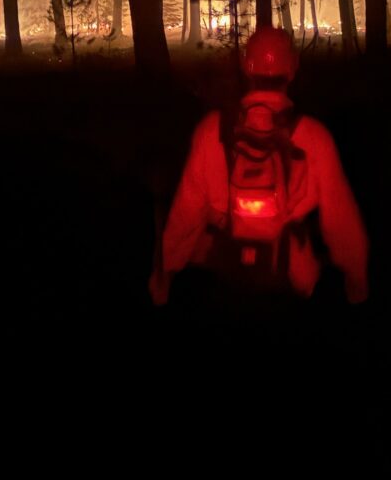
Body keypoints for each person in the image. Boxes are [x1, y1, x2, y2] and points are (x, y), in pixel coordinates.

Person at [149, 25, 368, 308]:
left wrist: (166, 271)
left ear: (246, 66)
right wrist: (357, 277)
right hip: (291, 282)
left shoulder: (212, 130)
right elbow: (340, 219)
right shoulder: (312, 136)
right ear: (293, 68)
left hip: (226, 280)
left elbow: (185, 214)